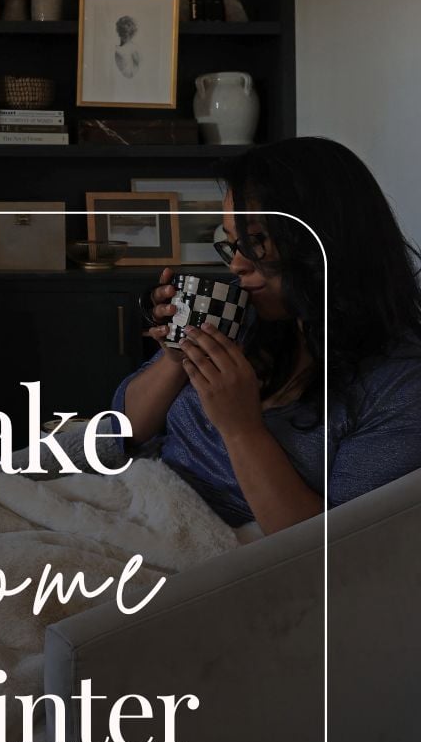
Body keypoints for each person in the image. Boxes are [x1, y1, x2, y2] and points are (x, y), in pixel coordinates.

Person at [118, 136, 421, 533]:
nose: (238, 265)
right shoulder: (241, 315)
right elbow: (124, 430)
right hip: (139, 503)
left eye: (255, 241)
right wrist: (176, 358)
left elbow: (338, 553)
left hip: (227, 557)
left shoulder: (400, 384)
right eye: (231, 244)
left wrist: (241, 429)